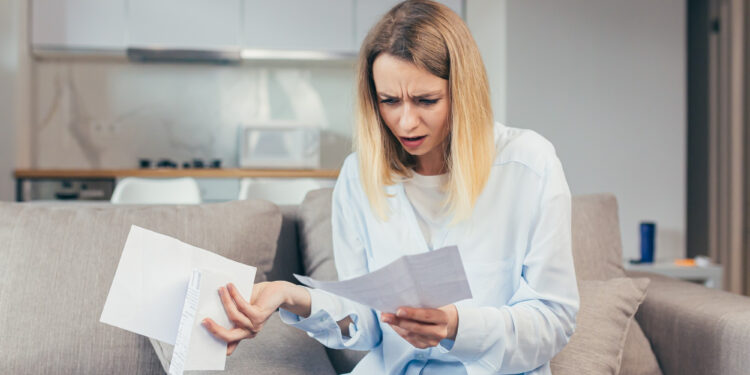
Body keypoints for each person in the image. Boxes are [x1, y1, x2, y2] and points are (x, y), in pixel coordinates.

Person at [202, 1, 579, 373]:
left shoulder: (529, 166)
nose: (406, 122)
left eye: (426, 100)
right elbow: (367, 323)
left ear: (463, 92)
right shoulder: (359, 175)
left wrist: (457, 327)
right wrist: (291, 296)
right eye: (389, 101)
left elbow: (553, 319)